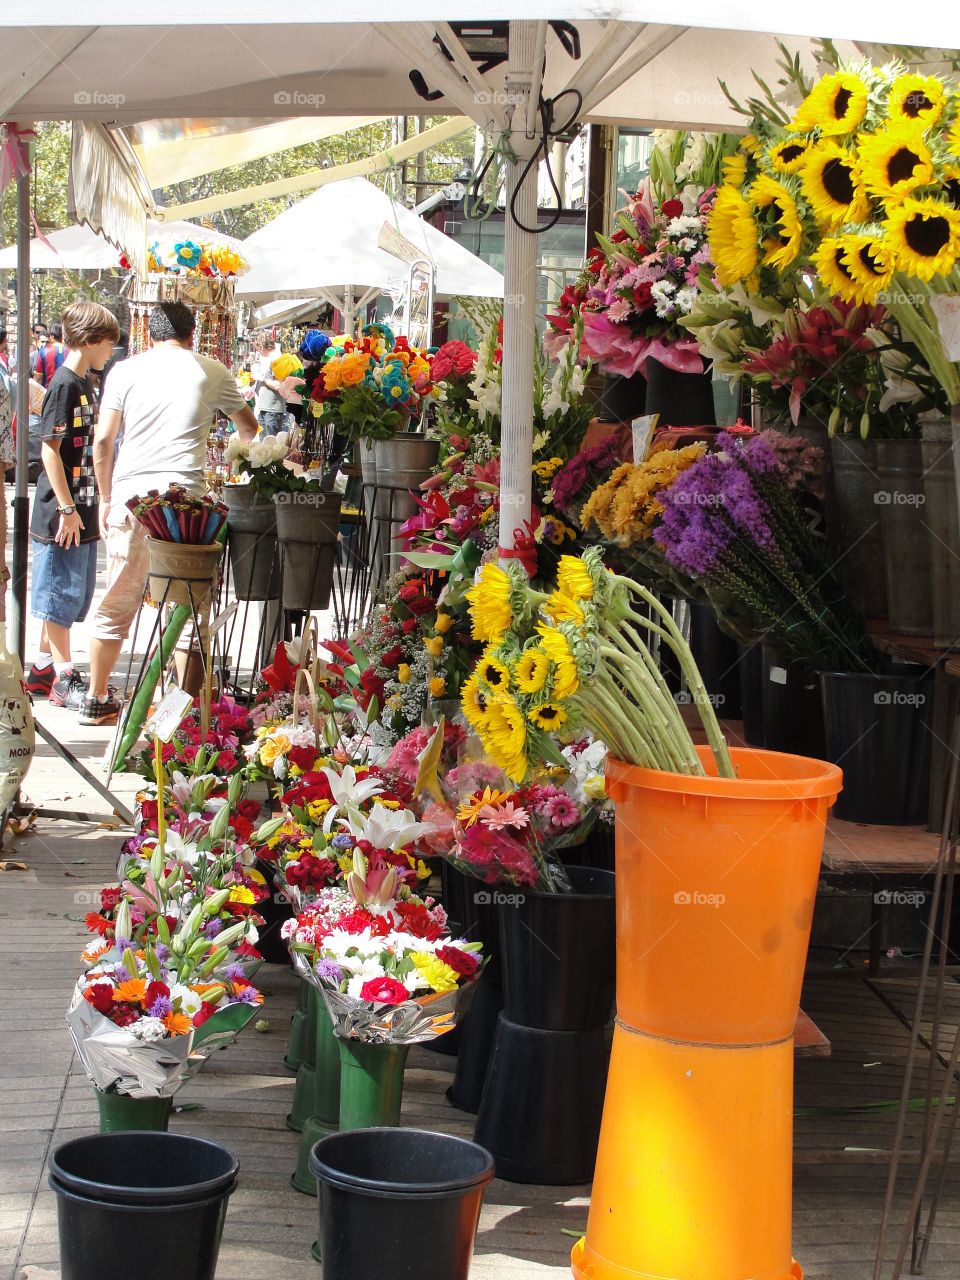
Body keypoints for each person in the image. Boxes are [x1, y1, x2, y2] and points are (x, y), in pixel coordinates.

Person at [84, 300, 258, 725]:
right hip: (186, 509)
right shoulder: (211, 369)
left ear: (148, 331)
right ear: (191, 334)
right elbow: (250, 429)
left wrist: (106, 499)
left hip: (132, 501)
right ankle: (175, 716)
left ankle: (96, 696)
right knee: (188, 610)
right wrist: (236, 464)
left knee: (117, 603)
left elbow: (103, 442)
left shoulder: (124, 371)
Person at [25, 301, 120, 706]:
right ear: (92, 341)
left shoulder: (84, 382)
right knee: (58, 593)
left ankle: (44, 668)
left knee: (73, 593)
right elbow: (50, 451)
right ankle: (65, 676)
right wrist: (66, 509)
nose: (111, 352)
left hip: (79, 507)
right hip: (61, 511)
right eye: (109, 345)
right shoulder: (65, 383)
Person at [251, 331, 286, 436]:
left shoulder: (276, 359)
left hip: (272, 409)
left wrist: (262, 378)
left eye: (257, 349)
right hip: (264, 407)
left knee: (271, 444)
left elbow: (278, 385)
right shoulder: (265, 359)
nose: (258, 352)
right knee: (263, 444)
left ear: (261, 346)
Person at [34, 321, 68, 388]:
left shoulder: (43, 352)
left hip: (47, 393)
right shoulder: (70, 352)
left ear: (51, 336)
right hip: (65, 393)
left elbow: (38, 378)